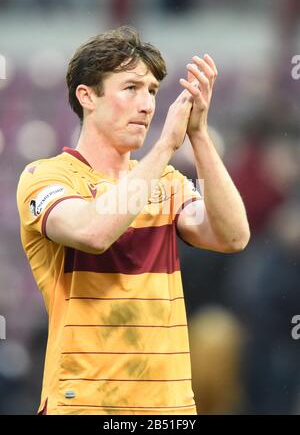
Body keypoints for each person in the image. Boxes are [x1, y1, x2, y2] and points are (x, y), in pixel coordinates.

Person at [16, 26, 250, 415]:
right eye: (131, 88)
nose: (147, 105)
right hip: (86, 405)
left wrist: (199, 137)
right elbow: (94, 232)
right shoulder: (45, 177)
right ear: (87, 96)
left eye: (153, 91)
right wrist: (165, 147)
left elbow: (233, 236)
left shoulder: (168, 183)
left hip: (170, 408)